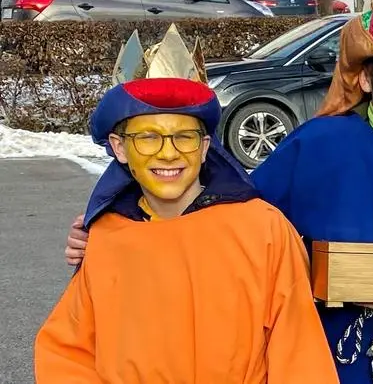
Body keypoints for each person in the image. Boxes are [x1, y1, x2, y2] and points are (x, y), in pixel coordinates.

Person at [60, 6, 373, 384]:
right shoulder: (316, 145)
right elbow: (227, 214)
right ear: (363, 78)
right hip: (328, 357)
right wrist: (119, 226)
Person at [37, 30, 337, 382]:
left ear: (206, 145)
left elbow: (297, 348)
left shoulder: (262, 230)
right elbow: (69, 351)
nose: (168, 152)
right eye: (148, 137)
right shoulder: (106, 236)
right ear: (119, 148)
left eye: (184, 136)